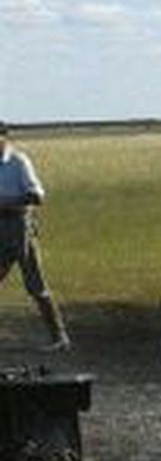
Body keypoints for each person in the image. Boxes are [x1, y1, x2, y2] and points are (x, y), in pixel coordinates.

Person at [0, 122, 69, 352]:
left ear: (4, 137)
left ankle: (59, 338)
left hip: (20, 228)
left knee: (36, 286)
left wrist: (7, 204)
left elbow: (36, 195)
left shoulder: (18, 162)